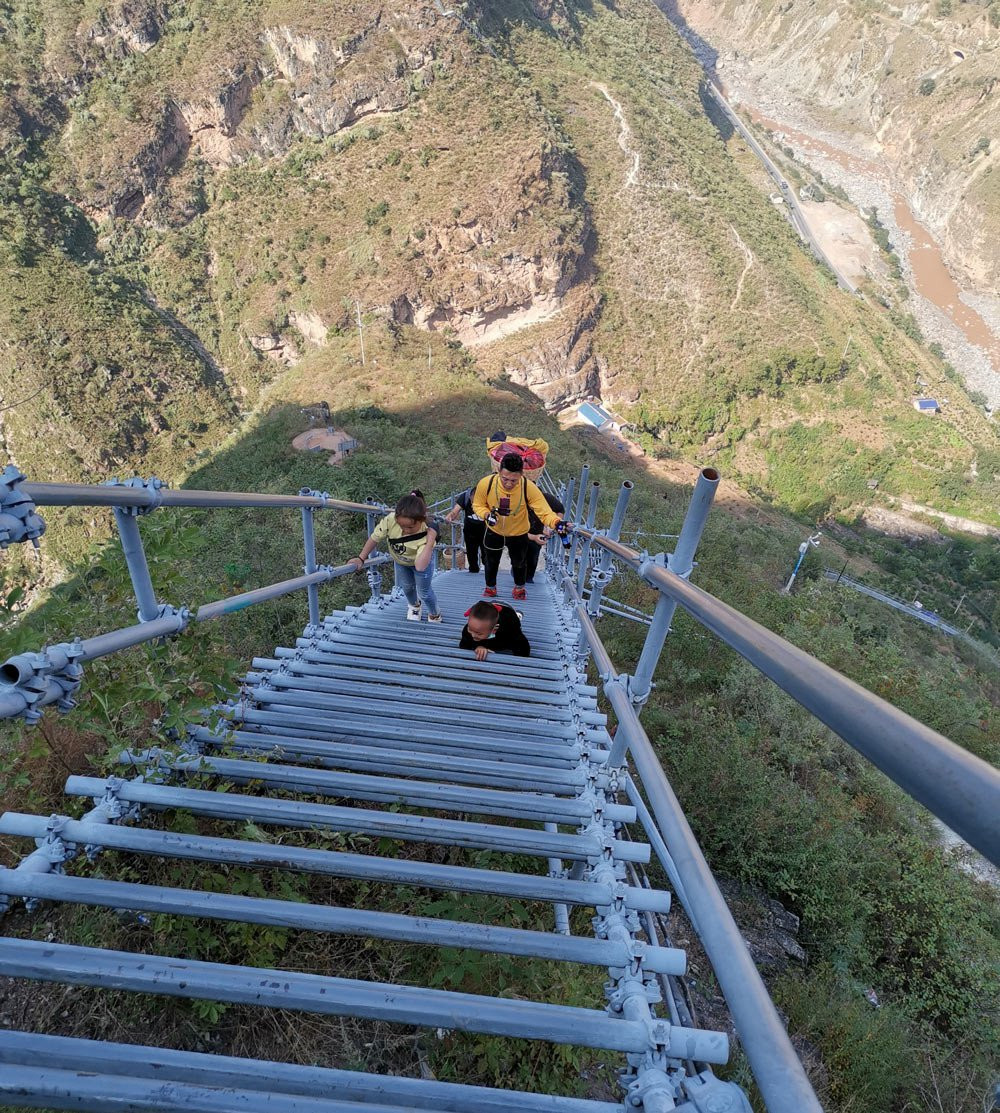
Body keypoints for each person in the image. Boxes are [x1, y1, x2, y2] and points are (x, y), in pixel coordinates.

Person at [472, 453, 565, 601]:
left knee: (519, 562)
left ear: (521, 475)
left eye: (514, 480)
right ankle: (490, 588)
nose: (509, 484)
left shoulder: (528, 487)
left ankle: (519, 588)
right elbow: (477, 504)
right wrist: (486, 514)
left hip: (519, 533)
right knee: (491, 561)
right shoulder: (486, 483)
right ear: (499, 472)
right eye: (505, 479)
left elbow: (544, 511)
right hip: (494, 530)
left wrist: (557, 523)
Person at [349, 490, 442, 622]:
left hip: (421, 562)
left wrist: (430, 541)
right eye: (401, 525)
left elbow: (420, 566)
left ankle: (434, 613)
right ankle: (415, 607)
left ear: (421, 520)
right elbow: (374, 538)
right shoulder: (390, 520)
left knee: (424, 592)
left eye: (410, 527)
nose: (405, 530)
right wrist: (361, 558)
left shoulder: (427, 531)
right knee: (407, 588)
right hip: (401, 562)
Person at [459, 600, 531, 660]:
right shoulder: (470, 629)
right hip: (490, 607)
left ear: (494, 630)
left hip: (508, 611)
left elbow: (524, 649)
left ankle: (518, 615)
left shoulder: (509, 632)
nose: (473, 635)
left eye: (478, 633)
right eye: (470, 629)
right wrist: (477, 646)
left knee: (516, 621)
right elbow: (464, 645)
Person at [525, 490, 565, 584]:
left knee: (533, 554)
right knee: (519, 554)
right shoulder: (518, 498)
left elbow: (560, 510)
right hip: (520, 530)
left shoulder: (546, 498)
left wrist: (552, 527)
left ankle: (529, 578)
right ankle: (517, 572)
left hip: (537, 530)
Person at [443, 487, 486, 574]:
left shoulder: (488, 498)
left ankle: (488, 570)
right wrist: (450, 516)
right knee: (471, 553)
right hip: (470, 530)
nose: (474, 506)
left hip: (486, 530)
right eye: (473, 502)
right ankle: (473, 571)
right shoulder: (465, 497)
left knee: (487, 553)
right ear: (470, 497)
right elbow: (455, 511)